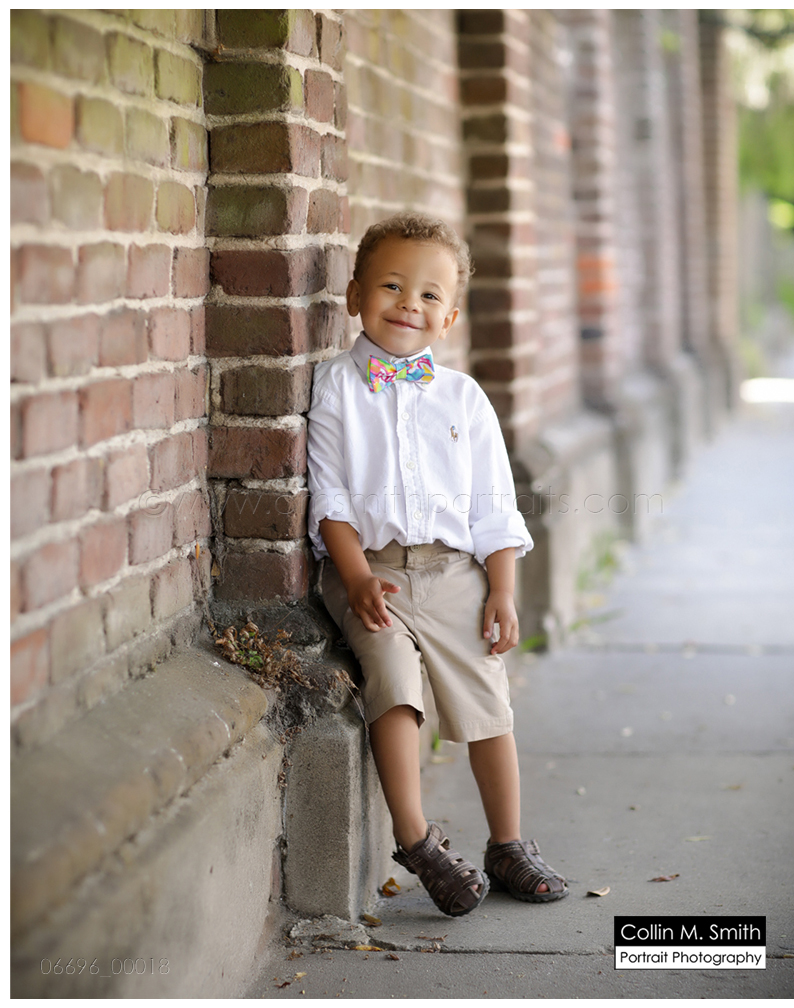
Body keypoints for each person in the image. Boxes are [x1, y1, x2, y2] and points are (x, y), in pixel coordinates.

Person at [306, 212, 568, 917]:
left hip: (455, 572)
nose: (408, 304)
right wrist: (356, 576)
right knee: (392, 679)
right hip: (372, 572)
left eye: (429, 295)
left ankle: (507, 844)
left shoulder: (463, 398)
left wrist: (502, 590)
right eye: (391, 286)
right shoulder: (335, 387)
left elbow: (493, 507)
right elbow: (330, 496)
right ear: (355, 295)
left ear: (449, 317)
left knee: (486, 700)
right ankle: (417, 840)